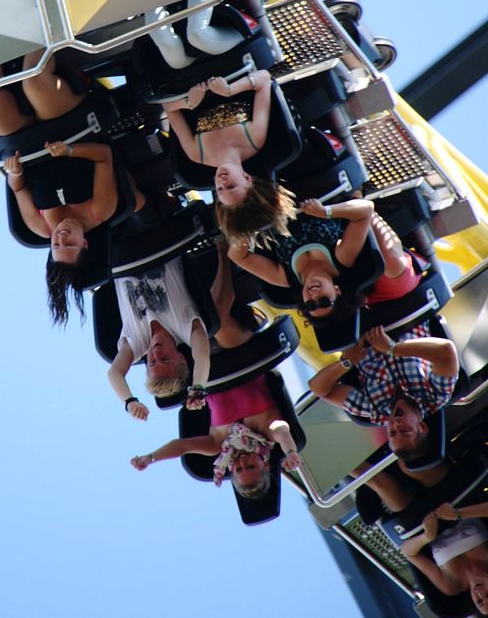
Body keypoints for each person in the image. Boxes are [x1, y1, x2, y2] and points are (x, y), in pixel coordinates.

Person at [0, 52, 148, 325]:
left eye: (56, 243)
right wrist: (70, 150)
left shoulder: (39, 227)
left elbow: (17, 189)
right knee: (35, 82)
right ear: (85, 242)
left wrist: (15, 173)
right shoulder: (100, 210)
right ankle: (36, 26)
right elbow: (104, 156)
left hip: (26, 142)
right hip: (72, 126)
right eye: (70, 243)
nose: (61, 235)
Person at [109, 243, 260, 417]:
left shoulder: (136, 343)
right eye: (165, 359)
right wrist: (198, 388)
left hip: (118, 251)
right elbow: (202, 355)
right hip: (155, 237)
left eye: (152, 362)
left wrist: (129, 402)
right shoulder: (188, 329)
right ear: (181, 358)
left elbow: (114, 372)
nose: (156, 354)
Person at [227, 198, 424, 324]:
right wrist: (326, 212)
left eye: (310, 305)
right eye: (324, 300)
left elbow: (237, 256)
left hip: (264, 201)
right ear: (337, 291)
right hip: (310, 191)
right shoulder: (342, 259)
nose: (314, 296)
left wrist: (247, 231)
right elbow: (366, 210)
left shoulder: (284, 278)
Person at [164, 68, 297, 234]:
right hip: (229, 66)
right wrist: (229, 90)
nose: (222, 182)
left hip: (182, 76)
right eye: (232, 186)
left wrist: (188, 103)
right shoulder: (254, 140)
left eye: (220, 190)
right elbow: (264, 78)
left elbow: (168, 107)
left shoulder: (197, 155)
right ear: (248, 179)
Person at [130, 374, 301, 499]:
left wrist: (150, 458)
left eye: (239, 469)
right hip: (243, 353)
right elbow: (283, 431)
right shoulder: (268, 433)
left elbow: (181, 446)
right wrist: (291, 452)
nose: (243, 461)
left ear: (231, 470)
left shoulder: (217, 444)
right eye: (250, 467)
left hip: (205, 368)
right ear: (266, 465)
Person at [308, 324, 459, 454]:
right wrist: (392, 349)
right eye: (405, 430)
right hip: (401, 311)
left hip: (359, 328)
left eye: (392, 432)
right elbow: (446, 351)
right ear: (422, 426)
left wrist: (347, 363)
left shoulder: (373, 410)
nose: (396, 424)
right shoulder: (436, 396)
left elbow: (318, 388)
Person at [401, 500, 488, 615]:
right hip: (458, 496)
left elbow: (408, 553)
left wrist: (426, 537)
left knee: (394, 498)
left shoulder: (451, 586)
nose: (480, 593)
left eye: (479, 601)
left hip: (418, 513)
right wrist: (457, 514)